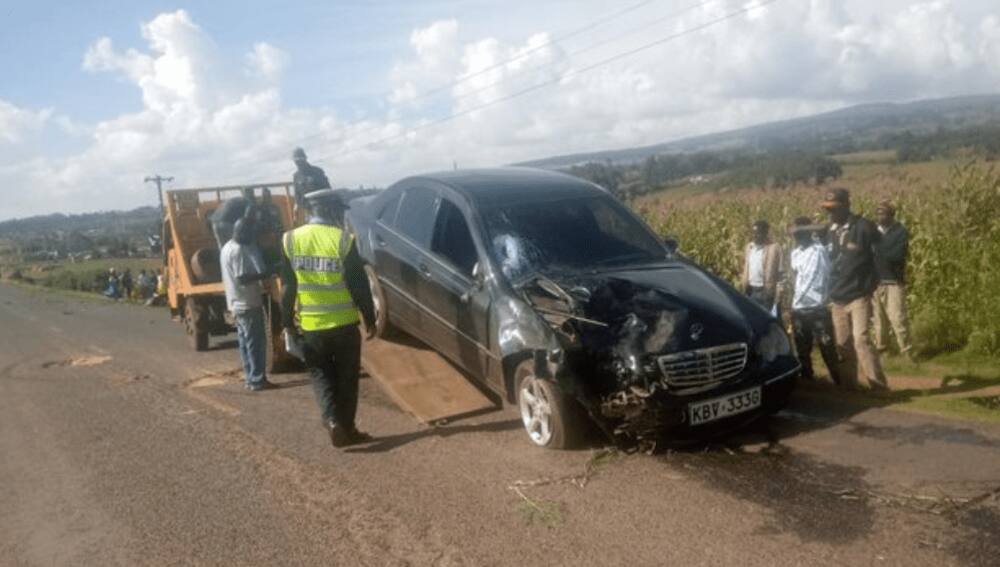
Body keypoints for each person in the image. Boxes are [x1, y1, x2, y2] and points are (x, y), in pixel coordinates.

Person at [279, 188, 376, 448]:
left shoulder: (290, 240)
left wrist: (286, 323)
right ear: (330, 209)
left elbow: (287, 287)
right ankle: (348, 428)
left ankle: (332, 421)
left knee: (321, 376)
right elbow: (359, 284)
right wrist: (370, 317)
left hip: (311, 328)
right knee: (347, 379)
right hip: (344, 325)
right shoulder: (343, 240)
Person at [821, 188, 888, 392]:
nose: (830, 213)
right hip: (838, 298)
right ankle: (850, 388)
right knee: (843, 344)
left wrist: (872, 284)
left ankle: (878, 386)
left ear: (846, 206)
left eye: (834, 209)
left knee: (861, 339)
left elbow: (881, 255)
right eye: (828, 209)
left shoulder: (864, 227)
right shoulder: (829, 232)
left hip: (859, 295)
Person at [220, 217, 277, 391]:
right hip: (247, 303)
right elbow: (242, 278)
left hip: (236, 304)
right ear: (243, 232)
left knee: (245, 343)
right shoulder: (238, 251)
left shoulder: (226, 247)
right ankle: (258, 380)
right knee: (256, 343)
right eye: (251, 234)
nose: (253, 237)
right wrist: (267, 273)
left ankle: (250, 377)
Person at [787, 217, 841, 385]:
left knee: (827, 346)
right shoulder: (795, 253)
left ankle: (838, 381)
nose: (797, 237)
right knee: (803, 348)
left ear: (808, 232)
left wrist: (808, 227)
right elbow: (796, 276)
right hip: (799, 307)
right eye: (795, 234)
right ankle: (808, 379)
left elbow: (826, 228)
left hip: (818, 306)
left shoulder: (820, 248)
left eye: (801, 233)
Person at [872, 200, 914, 361]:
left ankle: (907, 351)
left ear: (891, 215)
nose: (879, 216)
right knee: (879, 321)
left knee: (897, 318)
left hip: (894, 281)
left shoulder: (900, 232)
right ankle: (883, 351)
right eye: (877, 213)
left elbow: (897, 255)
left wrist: (877, 251)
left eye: (883, 213)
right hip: (876, 281)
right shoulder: (873, 232)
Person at [739, 219, 783, 314]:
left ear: (765, 233)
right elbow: (745, 267)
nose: (755, 236)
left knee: (764, 320)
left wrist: (778, 294)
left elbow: (780, 273)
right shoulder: (749, 247)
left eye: (758, 233)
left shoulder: (774, 248)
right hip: (750, 290)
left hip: (765, 291)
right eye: (753, 233)